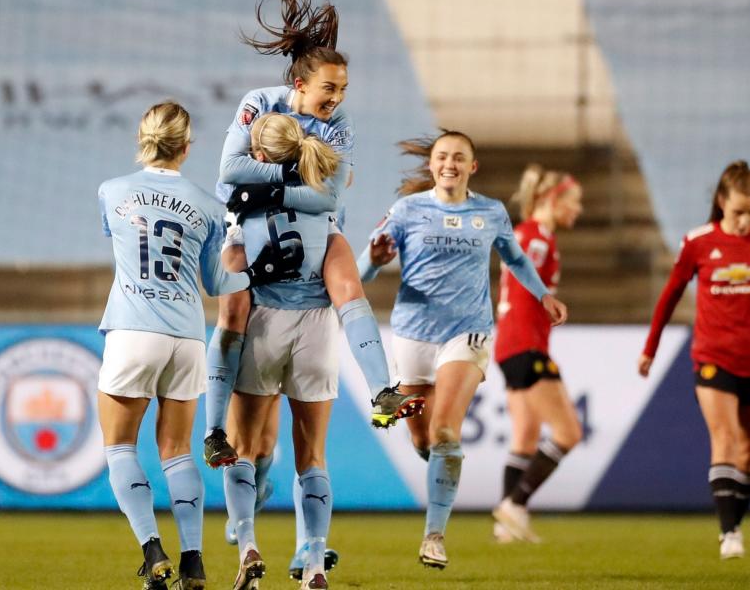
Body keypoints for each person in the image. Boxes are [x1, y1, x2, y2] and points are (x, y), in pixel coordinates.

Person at [202, 0, 423, 474]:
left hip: (312, 227)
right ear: (300, 84)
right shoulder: (258, 103)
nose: (338, 98)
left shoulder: (338, 123)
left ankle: (383, 391)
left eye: (343, 88)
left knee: (348, 285)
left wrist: (267, 190)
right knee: (233, 307)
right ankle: (214, 432)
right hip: (249, 228)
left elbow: (330, 198)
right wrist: (294, 180)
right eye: (330, 88)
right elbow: (228, 167)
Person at [96, 101, 298, 590]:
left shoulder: (112, 191)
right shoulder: (208, 204)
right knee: (177, 454)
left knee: (121, 447)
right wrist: (255, 271)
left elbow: (121, 239)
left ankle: (152, 549)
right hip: (186, 338)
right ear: (187, 148)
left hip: (132, 330)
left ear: (142, 138)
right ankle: (193, 560)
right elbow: (215, 283)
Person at [357, 131, 568, 569]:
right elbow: (361, 270)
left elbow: (516, 259)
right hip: (413, 335)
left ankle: (433, 537)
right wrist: (375, 261)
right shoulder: (407, 210)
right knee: (423, 439)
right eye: (442, 156)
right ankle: (416, 432)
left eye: (459, 157)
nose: (449, 163)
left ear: (472, 167)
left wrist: (544, 294)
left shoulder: (489, 212)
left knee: (445, 433)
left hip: (467, 333)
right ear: (432, 165)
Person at [638, 160, 750, 560]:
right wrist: (651, 347)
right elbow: (669, 297)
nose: (746, 220)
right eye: (738, 212)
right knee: (726, 439)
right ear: (721, 202)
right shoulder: (697, 242)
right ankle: (729, 532)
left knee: (749, 454)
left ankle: (736, 521)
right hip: (713, 356)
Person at [222, 112, 345, 590]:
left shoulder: (242, 202)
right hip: (317, 326)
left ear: (257, 156)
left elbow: (230, 278)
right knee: (312, 456)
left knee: (243, 448)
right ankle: (313, 563)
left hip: (264, 323)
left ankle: (248, 547)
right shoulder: (325, 197)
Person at [491, 165, 585, 544]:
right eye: (574, 203)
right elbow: (520, 275)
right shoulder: (536, 237)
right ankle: (515, 504)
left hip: (511, 345)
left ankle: (506, 526)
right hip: (525, 345)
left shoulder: (532, 235)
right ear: (552, 199)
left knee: (524, 437)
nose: (578, 211)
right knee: (568, 432)